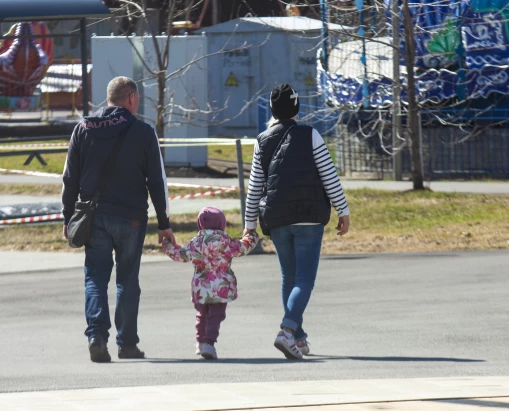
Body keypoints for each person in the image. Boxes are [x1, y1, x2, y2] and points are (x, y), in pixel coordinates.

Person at [62, 76, 176, 363]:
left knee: (96, 279)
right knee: (127, 280)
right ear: (132, 99)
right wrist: (164, 224)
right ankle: (127, 343)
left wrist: (68, 217)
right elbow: (157, 182)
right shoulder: (144, 132)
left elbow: (69, 178)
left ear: (109, 98)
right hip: (131, 218)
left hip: (95, 216)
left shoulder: (83, 128)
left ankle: (97, 337)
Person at [244, 84, 351, 360]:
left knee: (288, 278)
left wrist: (249, 224)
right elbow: (329, 175)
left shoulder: (262, 140)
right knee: (304, 279)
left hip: (277, 218)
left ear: (272, 109)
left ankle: (299, 339)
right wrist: (343, 210)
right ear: (297, 107)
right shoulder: (311, 135)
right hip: (308, 217)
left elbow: (255, 186)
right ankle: (287, 331)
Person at [162, 206, 259, 360]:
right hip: (221, 287)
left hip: (201, 287)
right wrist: (252, 236)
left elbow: (179, 254)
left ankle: (200, 342)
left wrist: (166, 244)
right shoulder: (225, 241)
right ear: (222, 223)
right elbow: (242, 248)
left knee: (202, 314)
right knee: (216, 315)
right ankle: (209, 343)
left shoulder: (196, 242)